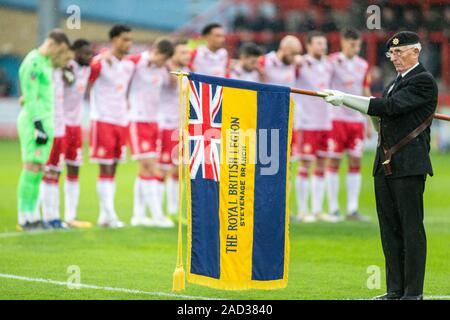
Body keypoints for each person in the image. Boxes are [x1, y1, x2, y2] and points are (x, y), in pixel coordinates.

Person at [324, 31, 438, 300]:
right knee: (389, 229)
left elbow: (390, 107)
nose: (394, 58)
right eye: (391, 54)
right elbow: (381, 117)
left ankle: (413, 292)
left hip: (409, 163)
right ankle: (395, 289)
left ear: (416, 52)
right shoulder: (393, 82)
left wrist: (346, 99)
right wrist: (364, 107)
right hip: (385, 162)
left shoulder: (422, 81)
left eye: (400, 52)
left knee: (411, 229)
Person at [16, 29, 71, 231]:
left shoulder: (47, 63)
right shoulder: (32, 62)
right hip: (34, 121)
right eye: (61, 50)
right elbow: (29, 97)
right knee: (30, 167)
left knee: (38, 169)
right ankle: (24, 217)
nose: (61, 54)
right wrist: (37, 124)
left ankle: (33, 215)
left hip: (47, 122)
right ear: (52, 44)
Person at [88, 25, 135, 228]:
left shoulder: (129, 66)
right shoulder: (99, 63)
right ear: (114, 40)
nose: (129, 44)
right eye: (125, 39)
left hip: (121, 121)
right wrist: (98, 56)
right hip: (103, 119)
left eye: (130, 40)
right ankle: (110, 214)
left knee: (114, 167)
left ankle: (105, 216)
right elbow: (84, 78)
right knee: (105, 166)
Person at [127, 39, 174, 227]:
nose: (162, 63)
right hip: (138, 120)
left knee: (144, 169)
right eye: (162, 58)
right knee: (150, 165)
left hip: (155, 121)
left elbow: (172, 84)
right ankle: (157, 214)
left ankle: (137, 215)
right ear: (154, 51)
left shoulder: (163, 69)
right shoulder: (136, 62)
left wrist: (167, 65)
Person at [327, 28, 372, 222]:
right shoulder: (332, 61)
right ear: (343, 43)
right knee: (334, 161)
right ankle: (333, 208)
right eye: (351, 44)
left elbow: (365, 91)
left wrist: (369, 120)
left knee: (355, 161)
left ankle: (352, 209)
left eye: (357, 45)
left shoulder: (363, 65)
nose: (354, 48)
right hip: (336, 119)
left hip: (355, 121)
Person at [293, 31, 334, 223]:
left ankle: (317, 210)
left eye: (324, 43)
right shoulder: (300, 64)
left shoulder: (328, 64)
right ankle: (303, 210)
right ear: (308, 45)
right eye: (318, 43)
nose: (323, 47)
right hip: (307, 122)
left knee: (321, 164)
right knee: (305, 164)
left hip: (325, 121)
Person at [156, 39, 192, 226]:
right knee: (162, 169)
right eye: (183, 53)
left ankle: (173, 211)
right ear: (173, 55)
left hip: (182, 127)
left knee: (180, 169)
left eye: (188, 52)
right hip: (165, 125)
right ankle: (156, 212)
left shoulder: (189, 73)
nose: (187, 56)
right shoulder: (165, 71)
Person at [62, 39, 94, 228]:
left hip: (75, 126)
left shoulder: (87, 68)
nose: (89, 57)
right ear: (75, 53)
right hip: (59, 124)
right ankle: (47, 215)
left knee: (74, 168)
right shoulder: (65, 67)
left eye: (90, 54)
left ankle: (70, 216)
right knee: (53, 169)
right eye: (85, 53)